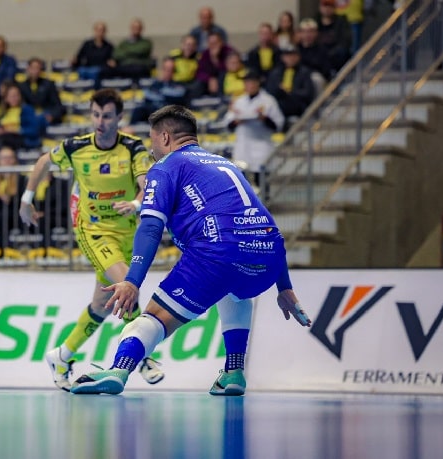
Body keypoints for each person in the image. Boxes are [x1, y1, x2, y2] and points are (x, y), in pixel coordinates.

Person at [69, 105, 311, 396]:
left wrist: (133, 280)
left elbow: (149, 227)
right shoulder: (224, 164)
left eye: (152, 139)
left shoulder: (166, 166)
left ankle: (119, 369)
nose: (151, 148)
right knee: (233, 290)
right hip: (267, 257)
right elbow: (263, 223)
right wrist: (283, 286)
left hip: (216, 253)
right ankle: (234, 372)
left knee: (153, 319)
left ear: (166, 138)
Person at [18, 88, 163, 391]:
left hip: (127, 232)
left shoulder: (133, 148)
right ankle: (142, 357)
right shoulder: (77, 147)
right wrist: (26, 199)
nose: (100, 121)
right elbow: (45, 161)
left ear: (119, 117)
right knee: (128, 288)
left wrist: (136, 204)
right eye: (96, 114)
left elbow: (145, 184)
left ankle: (61, 356)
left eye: (107, 115)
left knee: (100, 305)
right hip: (93, 230)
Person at [224, 70, 285, 187]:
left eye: (252, 82)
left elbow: (278, 125)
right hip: (243, 145)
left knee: (261, 182)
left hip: (262, 145)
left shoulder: (268, 101)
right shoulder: (239, 101)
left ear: (258, 83)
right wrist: (237, 121)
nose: (250, 85)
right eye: (247, 82)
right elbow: (228, 124)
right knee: (242, 184)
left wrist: (264, 119)